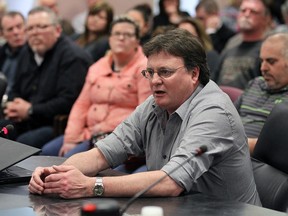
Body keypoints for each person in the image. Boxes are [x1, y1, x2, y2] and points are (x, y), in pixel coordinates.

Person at [28, 28, 261, 206]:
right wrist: (57, 174)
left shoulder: (214, 111)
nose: (154, 80)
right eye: (150, 72)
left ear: (194, 73)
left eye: (165, 72)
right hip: (181, 208)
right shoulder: (155, 104)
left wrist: (91, 186)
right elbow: (103, 153)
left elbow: (171, 182)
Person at [41, 16, 151, 158]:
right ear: (109, 38)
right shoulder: (98, 66)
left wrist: (104, 127)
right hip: (89, 132)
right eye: (117, 34)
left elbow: (144, 112)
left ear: (137, 41)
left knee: (70, 159)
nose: (121, 38)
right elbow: (81, 104)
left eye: (128, 34)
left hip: (119, 135)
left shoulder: (144, 68)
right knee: (47, 152)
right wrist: (71, 139)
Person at [1, 6, 92, 148]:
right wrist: (13, 105)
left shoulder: (73, 57)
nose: (35, 33)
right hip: (26, 119)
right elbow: (15, 89)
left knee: (22, 144)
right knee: (2, 130)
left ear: (57, 30)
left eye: (41, 27)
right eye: (30, 28)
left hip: (55, 124)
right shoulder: (27, 52)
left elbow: (68, 101)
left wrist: (31, 110)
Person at [235, 32, 288, 154]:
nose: (263, 68)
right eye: (262, 61)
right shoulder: (255, 84)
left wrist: (237, 144)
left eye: (271, 61)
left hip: (260, 163)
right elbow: (225, 119)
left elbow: (278, 146)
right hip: (229, 154)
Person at [214, 0, 271, 89]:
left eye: (253, 12)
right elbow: (214, 78)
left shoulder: (268, 49)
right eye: (243, 10)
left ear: (265, 19)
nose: (246, 14)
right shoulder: (231, 44)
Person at [0, 11, 26, 98]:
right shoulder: (2, 53)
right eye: (10, 29)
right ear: (2, 34)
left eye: (19, 27)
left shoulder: (35, 54)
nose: (16, 32)